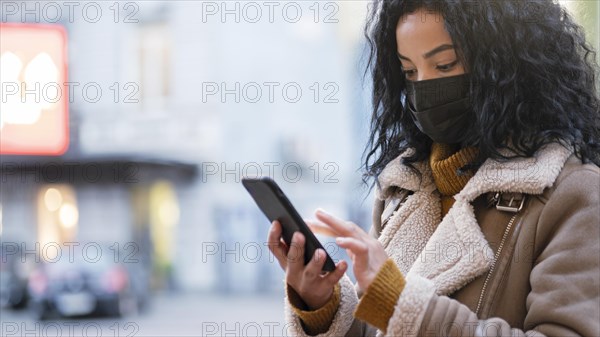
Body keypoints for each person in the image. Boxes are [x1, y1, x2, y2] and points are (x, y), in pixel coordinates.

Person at [266, 0, 600, 336]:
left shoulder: (573, 193)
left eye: (443, 65)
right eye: (409, 72)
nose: (423, 87)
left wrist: (405, 305)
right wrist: (324, 306)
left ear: (508, 65)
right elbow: (381, 328)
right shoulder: (404, 187)